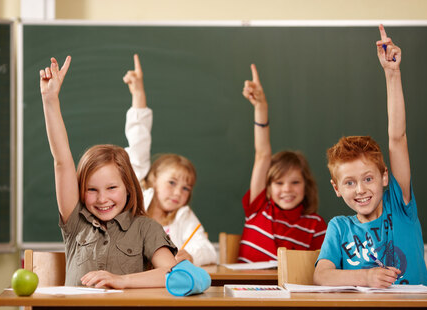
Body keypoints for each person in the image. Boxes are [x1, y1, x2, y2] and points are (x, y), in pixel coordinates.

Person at [39, 56, 178, 288]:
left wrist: (121, 280)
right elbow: (62, 161)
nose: (102, 199)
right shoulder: (76, 221)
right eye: (91, 190)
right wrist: (49, 99)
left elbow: (173, 274)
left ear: (129, 187)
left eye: (112, 188)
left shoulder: (146, 228)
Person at [313, 25, 427, 288]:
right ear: (336, 188)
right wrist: (365, 277)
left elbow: (397, 138)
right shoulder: (339, 227)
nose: (361, 189)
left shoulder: (399, 206)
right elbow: (321, 275)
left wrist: (392, 74)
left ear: (385, 176)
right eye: (350, 183)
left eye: (368, 178)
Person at [122, 54, 217, 266]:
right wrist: (138, 93)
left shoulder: (182, 216)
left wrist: (191, 256)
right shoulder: (136, 196)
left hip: (163, 286)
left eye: (186, 188)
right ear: (154, 178)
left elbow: (208, 250)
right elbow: (138, 141)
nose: (178, 193)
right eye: (172, 183)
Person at [237, 64, 327, 263]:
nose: (287, 189)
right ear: (267, 189)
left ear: (306, 186)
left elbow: (321, 270)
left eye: (295, 182)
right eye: (278, 183)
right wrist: (261, 107)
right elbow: (262, 154)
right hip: (246, 292)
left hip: (290, 293)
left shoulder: (316, 225)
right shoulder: (258, 207)